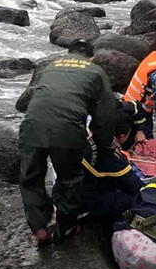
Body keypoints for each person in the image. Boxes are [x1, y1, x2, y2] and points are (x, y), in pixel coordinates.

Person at [18, 40, 118, 246]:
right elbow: (106, 115)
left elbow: (37, 98)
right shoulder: (95, 70)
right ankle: (65, 228)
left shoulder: (51, 66)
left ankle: (39, 228)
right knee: (70, 180)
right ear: (90, 56)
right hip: (66, 129)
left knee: (31, 178)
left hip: (31, 125)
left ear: (69, 52)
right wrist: (104, 146)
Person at [76, 105, 144, 223]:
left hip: (70, 191)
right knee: (134, 199)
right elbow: (136, 187)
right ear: (122, 136)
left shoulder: (86, 137)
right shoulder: (113, 159)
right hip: (86, 201)